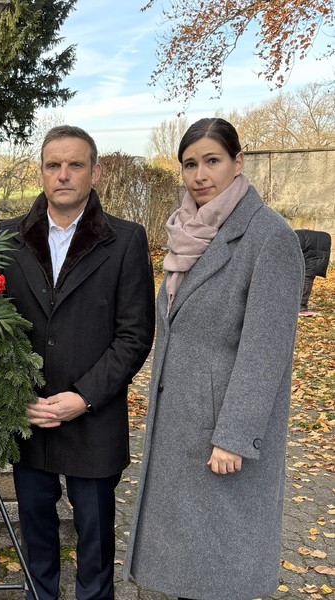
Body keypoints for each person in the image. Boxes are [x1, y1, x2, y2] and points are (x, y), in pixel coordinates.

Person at [124, 118, 304, 600]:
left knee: (219, 566)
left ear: (237, 162)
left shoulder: (269, 237)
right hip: (178, 423)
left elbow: (266, 350)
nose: (200, 174)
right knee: (188, 568)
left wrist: (233, 437)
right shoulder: (185, 231)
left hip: (222, 435)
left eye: (212, 161)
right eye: (189, 164)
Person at [0, 125, 156, 600]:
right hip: (30, 417)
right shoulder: (8, 237)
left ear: (95, 171)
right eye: (53, 165)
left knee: (95, 550)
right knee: (37, 545)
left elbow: (135, 335)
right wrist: (16, 395)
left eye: (75, 164)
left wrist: (83, 397)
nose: (63, 174)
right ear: (41, 172)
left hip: (93, 418)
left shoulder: (125, 240)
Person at [295, 228, 331, 315]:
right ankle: (300, 305)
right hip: (315, 242)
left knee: (308, 277)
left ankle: (301, 306)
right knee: (305, 276)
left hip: (313, 247)